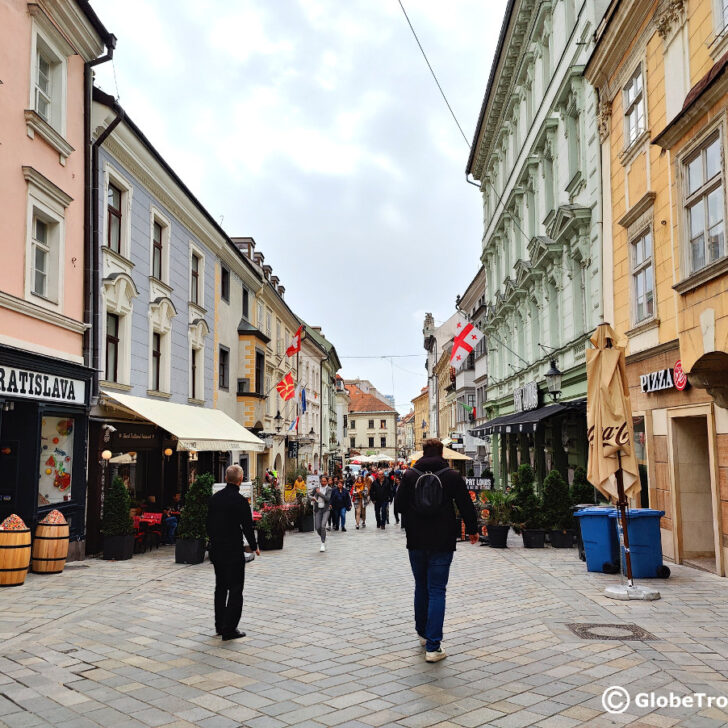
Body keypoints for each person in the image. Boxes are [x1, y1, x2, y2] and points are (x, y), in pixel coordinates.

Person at [394, 438, 479, 663]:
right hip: (443, 539)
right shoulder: (451, 476)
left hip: (416, 540)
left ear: (423, 452)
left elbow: (398, 506)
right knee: (437, 590)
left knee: (421, 586)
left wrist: (415, 511)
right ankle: (434, 647)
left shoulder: (410, 475)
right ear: (442, 453)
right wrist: (472, 529)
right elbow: (465, 505)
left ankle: (423, 634)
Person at [206, 465, 260, 641]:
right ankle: (230, 628)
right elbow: (247, 526)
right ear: (240, 479)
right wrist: (254, 546)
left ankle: (219, 625)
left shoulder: (214, 499)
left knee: (220, 587)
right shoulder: (240, 501)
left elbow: (208, 524)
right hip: (233, 550)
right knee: (236, 589)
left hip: (216, 549)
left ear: (226, 478)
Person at [310, 475, 332, 552]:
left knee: (323, 526)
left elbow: (327, 498)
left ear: (327, 481)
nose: (323, 483)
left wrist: (319, 493)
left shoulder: (329, 489)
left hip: (326, 509)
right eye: (322, 481)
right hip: (318, 509)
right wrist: (312, 498)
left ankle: (323, 543)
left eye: (324, 481)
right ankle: (324, 537)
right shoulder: (316, 488)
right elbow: (309, 495)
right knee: (317, 527)